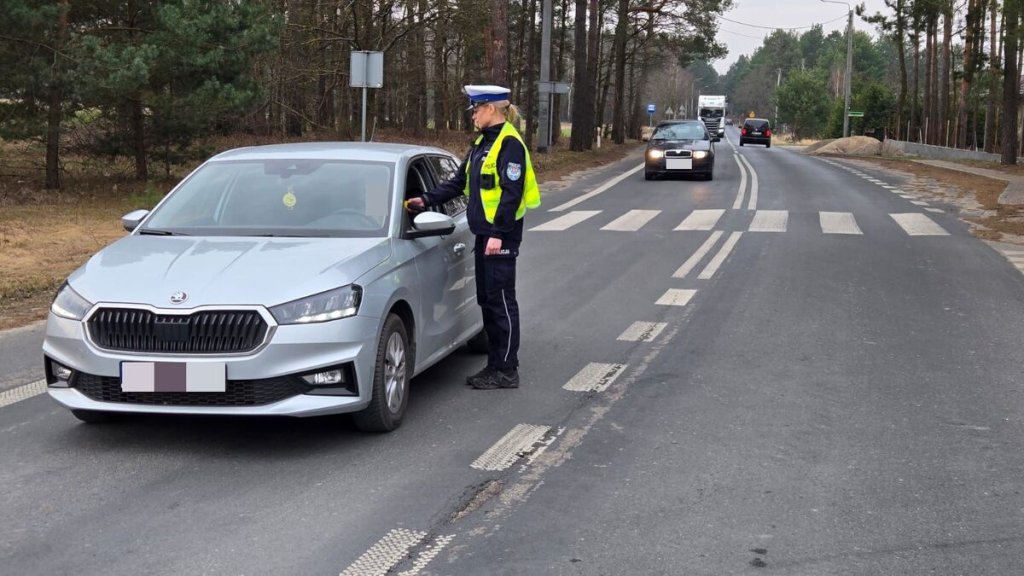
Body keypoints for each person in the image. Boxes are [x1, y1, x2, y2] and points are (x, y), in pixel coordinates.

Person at [406, 85, 541, 390]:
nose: (473, 116)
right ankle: (495, 364)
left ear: (491, 108)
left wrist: (498, 234)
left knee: (501, 302)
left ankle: (507, 370)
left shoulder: (509, 144)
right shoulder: (483, 142)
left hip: (500, 237)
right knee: (487, 300)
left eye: (476, 110)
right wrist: (425, 200)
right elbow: (457, 183)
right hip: (485, 235)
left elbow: (511, 194)